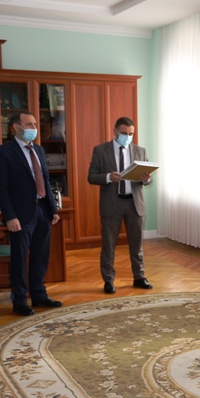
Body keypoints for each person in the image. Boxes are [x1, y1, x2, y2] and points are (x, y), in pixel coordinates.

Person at [0, 111, 62, 316]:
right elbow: (1, 188)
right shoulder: (3, 152)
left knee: (41, 256)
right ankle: (20, 300)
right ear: (16, 127)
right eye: (29, 124)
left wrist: (52, 209)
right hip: (20, 214)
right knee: (20, 258)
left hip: (42, 210)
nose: (34, 128)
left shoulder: (38, 150)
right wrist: (10, 216)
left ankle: (39, 294)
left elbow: (45, 181)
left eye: (35, 124)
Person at [87, 117, 153, 294]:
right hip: (112, 204)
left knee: (137, 244)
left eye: (131, 134)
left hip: (135, 203)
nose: (128, 137)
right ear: (115, 132)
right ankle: (108, 280)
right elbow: (91, 177)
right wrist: (108, 177)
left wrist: (147, 179)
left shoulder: (140, 151)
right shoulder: (101, 150)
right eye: (124, 133)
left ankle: (139, 277)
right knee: (109, 245)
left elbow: (148, 179)